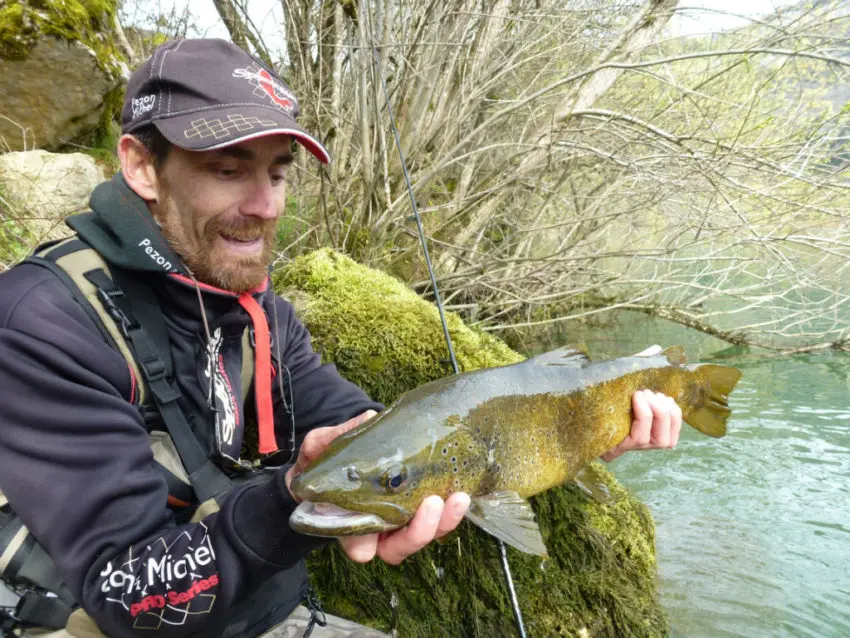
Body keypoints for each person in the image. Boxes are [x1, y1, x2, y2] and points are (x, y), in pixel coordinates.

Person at [0, 39, 682, 638]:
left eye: (277, 172)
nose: (266, 206)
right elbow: (131, 599)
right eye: (229, 169)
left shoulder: (259, 312)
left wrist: (577, 422)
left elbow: (363, 429)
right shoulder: (41, 323)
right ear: (142, 167)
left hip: (259, 615)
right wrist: (293, 496)